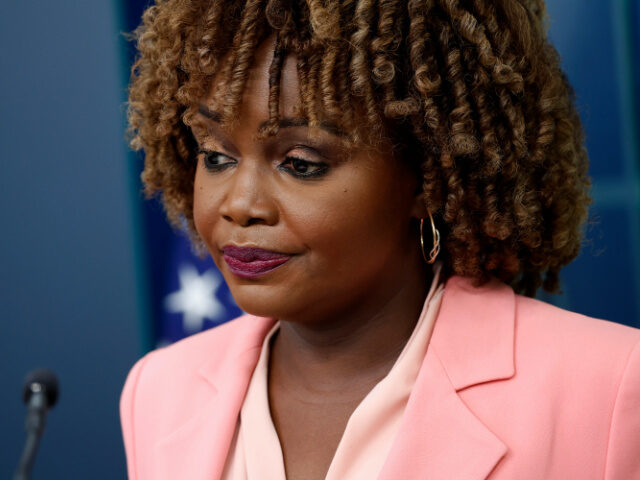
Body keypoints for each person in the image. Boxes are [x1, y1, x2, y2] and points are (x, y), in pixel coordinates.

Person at [120, 0, 640, 478]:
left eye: (300, 163)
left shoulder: (611, 387)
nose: (238, 203)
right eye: (216, 157)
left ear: (425, 173)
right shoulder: (159, 392)